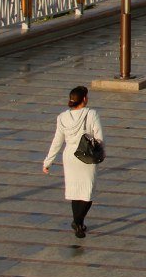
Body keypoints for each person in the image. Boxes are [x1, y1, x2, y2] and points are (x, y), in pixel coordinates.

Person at [42, 86, 103, 239]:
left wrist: (48, 161)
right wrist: (102, 153)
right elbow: (99, 137)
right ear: (84, 99)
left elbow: (57, 141)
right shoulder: (91, 113)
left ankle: (78, 224)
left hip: (70, 156)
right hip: (86, 156)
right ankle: (78, 222)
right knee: (88, 192)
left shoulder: (62, 117)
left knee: (75, 192)